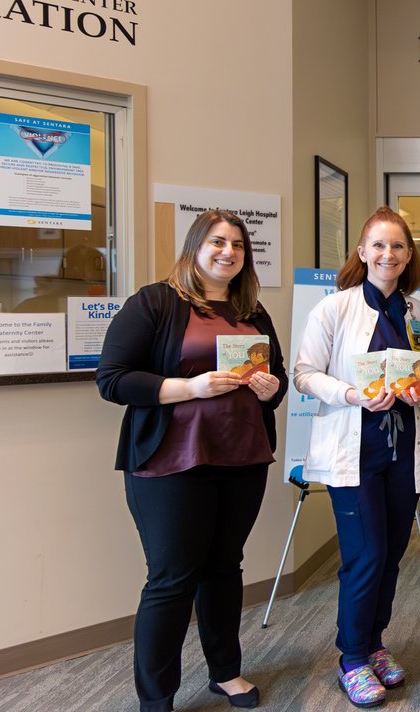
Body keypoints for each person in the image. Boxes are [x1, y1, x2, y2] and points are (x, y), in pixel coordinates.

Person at [96, 210, 286, 712]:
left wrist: (270, 390)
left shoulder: (253, 311)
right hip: (170, 463)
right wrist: (188, 388)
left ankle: (225, 672)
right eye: (218, 242)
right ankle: (156, 698)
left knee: (225, 568)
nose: (229, 252)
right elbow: (112, 379)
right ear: (195, 247)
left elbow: (277, 382)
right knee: (172, 577)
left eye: (239, 245)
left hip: (242, 458)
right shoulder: (156, 302)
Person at [293, 207, 420, 708]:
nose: (388, 254)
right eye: (378, 245)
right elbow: (305, 373)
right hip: (354, 451)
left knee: (392, 556)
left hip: (403, 452)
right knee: (365, 555)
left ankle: (375, 643)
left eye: (397, 246)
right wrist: (353, 395)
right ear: (361, 252)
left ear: (408, 255)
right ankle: (351, 658)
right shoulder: (333, 309)